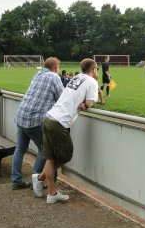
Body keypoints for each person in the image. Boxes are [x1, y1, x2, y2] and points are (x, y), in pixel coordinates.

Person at [32, 58, 99, 204]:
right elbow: (88, 103)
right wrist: (87, 104)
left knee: (51, 158)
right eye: (97, 69)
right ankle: (40, 178)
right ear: (93, 70)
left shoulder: (76, 77)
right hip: (59, 123)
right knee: (65, 156)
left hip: (49, 118)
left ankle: (51, 193)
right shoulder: (92, 81)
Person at [11, 57, 64, 191]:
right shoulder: (54, 77)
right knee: (44, 150)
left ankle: (16, 180)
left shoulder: (37, 74)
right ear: (56, 67)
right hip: (34, 120)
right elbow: (62, 98)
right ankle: (36, 182)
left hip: (21, 116)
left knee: (20, 149)